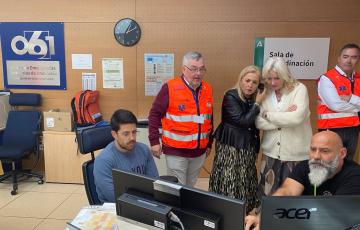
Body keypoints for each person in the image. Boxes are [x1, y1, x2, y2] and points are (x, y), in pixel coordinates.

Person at [245, 131, 360, 230]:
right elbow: (287, 191)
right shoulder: (305, 166)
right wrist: (264, 217)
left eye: (324, 151)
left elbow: (332, 218)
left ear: (342, 153)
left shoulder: (355, 175)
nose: (316, 156)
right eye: (313, 149)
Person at [148, 51, 213, 186]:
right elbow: (154, 114)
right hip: (176, 151)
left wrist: (209, 144)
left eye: (201, 69)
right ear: (184, 69)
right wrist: (154, 141)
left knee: (190, 188)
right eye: (194, 69)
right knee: (176, 189)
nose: (198, 73)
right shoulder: (170, 88)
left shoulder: (207, 88)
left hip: (199, 152)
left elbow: (209, 117)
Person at [209, 65, 266, 213]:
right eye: (247, 80)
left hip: (248, 149)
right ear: (241, 81)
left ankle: (244, 214)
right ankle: (228, 213)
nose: (250, 85)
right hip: (231, 148)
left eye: (254, 82)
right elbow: (243, 121)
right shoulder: (231, 96)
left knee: (246, 182)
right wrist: (258, 103)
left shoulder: (252, 99)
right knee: (231, 182)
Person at [256, 57, 312, 196]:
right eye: (269, 78)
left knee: (292, 198)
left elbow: (296, 118)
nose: (272, 82)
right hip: (271, 153)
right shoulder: (265, 92)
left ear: (285, 75)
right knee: (268, 196)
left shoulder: (299, 89)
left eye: (277, 78)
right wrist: (285, 114)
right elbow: (258, 122)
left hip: (296, 155)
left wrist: (268, 115)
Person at [94, 109, 159, 203]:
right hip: (115, 208)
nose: (132, 138)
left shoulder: (144, 150)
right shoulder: (103, 160)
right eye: (126, 134)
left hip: (143, 202)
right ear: (114, 134)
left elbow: (154, 183)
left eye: (134, 132)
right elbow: (115, 198)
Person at [317, 43, 360, 160]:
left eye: (354, 57)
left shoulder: (358, 79)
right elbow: (336, 105)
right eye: (345, 57)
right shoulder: (327, 78)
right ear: (339, 58)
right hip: (331, 129)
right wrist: (357, 105)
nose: (349, 61)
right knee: (329, 165)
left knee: (347, 165)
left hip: (353, 129)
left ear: (358, 60)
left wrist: (351, 98)